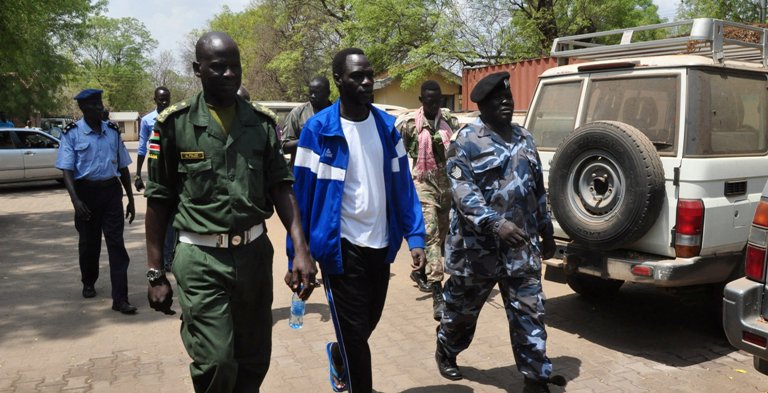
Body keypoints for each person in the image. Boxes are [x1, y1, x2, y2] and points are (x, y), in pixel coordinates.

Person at [143, 31, 317, 393]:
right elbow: (158, 201)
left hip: (254, 254)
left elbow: (281, 188)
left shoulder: (261, 123)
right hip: (200, 257)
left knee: (254, 357)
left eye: (234, 67)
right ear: (197, 68)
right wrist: (155, 272)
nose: (228, 75)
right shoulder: (174, 125)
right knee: (217, 360)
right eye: (218, 67)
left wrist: (301, 250)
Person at [288, 48, 426, 393]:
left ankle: (338, 353)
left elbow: (402, 185)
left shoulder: (386, 127)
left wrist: (416, 236)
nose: (367, 82)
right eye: (357, 76)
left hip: (380, 244)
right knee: (354, 335)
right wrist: (297, 253)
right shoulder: (318, 130)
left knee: (365, 323)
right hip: (340, 246)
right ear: (338, 80)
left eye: (370, 75)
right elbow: (300, 195)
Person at [434, 72, 565, 393]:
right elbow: (463, 193)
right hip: (475, 252)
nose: (506, 103)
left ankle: (535, 377)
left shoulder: (525, 139)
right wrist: (495, 222)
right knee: (461, 315)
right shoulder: (466, 141)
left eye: (508, 98)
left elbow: (537, 191)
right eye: (498, 99)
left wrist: (547, 233)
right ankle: (447, 349)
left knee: (529, 313)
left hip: (521, 249)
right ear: (482, 105)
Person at [55, 88, 137, 314]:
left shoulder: (111, 131)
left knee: (116, 245)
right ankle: (88, 280)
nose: (100, 107)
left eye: (100, 103)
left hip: (111, 192)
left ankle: (120, 298)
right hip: (86, 194)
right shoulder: (71, 133)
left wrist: (130, 198)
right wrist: (76, 200)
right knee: (89, 244)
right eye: (94, 104)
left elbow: (122, 166)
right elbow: (67, 170)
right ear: (83, 108)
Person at [395, 80, 459, 321]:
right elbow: (400, 156)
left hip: (446, 183)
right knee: (430, 233)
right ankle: (437, 292)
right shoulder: (411, 125)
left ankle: (421, 270)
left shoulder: (450, 122)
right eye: (429, 100)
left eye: (438, 100)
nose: (434, 104)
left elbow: (459, 151)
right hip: (423, 181)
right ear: (422, 101)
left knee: (441, 236)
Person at [134, 86, 174, 270]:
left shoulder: (177, 117)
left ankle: (171, 257)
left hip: (174, 172)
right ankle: (162, 259)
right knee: (159, 216)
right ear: (155, 99)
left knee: (175, 218)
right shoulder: (147, 120)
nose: (164, 102)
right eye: (160, 99)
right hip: (156, 172)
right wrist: (137, 174)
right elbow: (143, 147)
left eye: (166, 99)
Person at [280, 76, 332, 167]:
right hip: (303, 169)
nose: (313, 96)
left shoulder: (337, 114)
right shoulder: (297, 113)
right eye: (311, 93)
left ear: (328, 93)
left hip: (328, 169)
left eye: (317, 93)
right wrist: (308, 138)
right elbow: (284, 146)